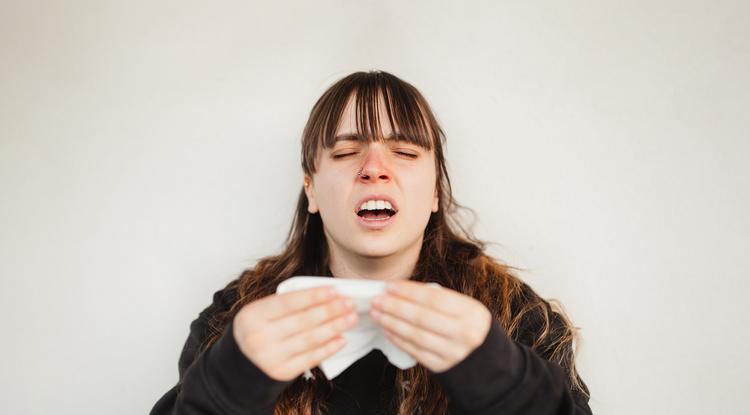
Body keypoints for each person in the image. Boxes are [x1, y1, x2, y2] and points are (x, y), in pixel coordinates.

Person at [150, 70, 593, 414]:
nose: (375, 168)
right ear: (311, 190)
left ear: (436, 191)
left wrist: (506, 381)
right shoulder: (233, 320)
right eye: (345, 152)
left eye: (404, 152)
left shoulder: (520, 319)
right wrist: (228, 385)